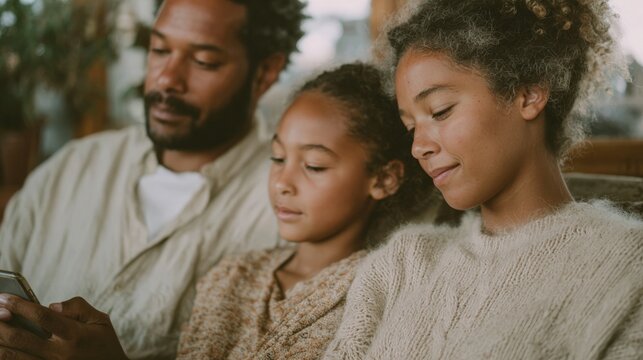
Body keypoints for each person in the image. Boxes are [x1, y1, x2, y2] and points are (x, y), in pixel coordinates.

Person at [324, 0, 643, 359]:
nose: (418, 147)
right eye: (411, 127)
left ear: (529, 94)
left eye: (440, 111)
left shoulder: (626, 269)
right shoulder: (400, 264)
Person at [0, 0, 305, 358]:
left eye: (204, 61)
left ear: (265, 73)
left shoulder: (292, 211)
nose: (167, 79)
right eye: (159, 50)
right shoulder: (73, 167)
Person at [176, 62, 432, 359]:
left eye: (313, 165)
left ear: (384, 179)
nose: (282, 183)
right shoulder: (230, 276)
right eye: (278, 158)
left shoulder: (379, 297)